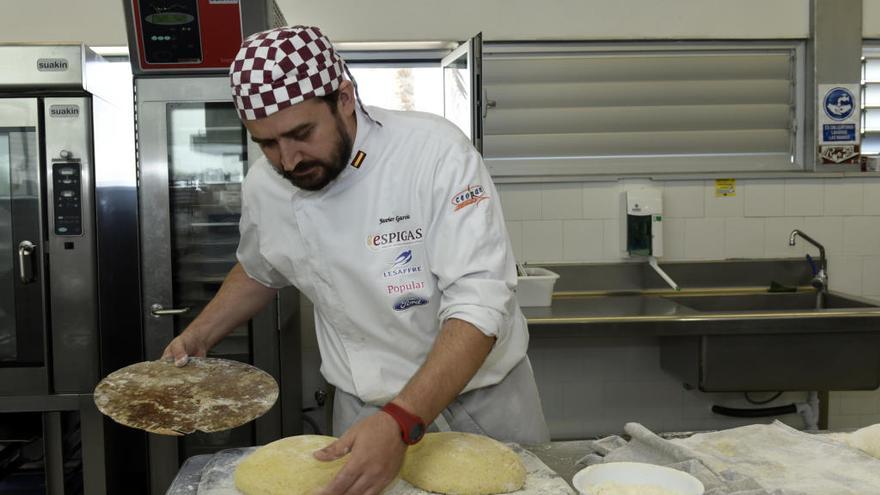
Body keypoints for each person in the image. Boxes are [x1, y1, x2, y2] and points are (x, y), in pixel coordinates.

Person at [162, 25, 549, 494]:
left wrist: (404, 419)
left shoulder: (434, 153)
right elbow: (261, 269)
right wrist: (197, 335)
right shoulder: (266, 186)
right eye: (266, 143)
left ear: (345, 97)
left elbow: (479, 302)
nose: (287, 160)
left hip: (479, 400)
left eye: (301, 133)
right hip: (365, 409)